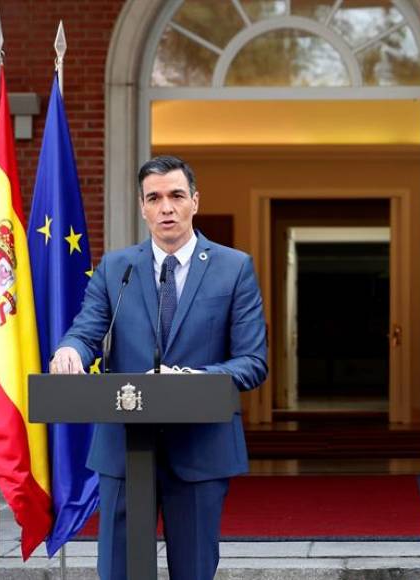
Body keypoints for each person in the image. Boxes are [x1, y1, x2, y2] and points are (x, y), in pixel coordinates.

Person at [49, 155, 267, 580]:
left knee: (194, 572)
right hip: (124, 449)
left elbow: (252, 362)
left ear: (194, 202)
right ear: (142, 207)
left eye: (176, 196)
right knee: (118, 571)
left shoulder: (233, 267)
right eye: (155, 198)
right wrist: (70, 351)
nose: (166, 207)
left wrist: (194, 380)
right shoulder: (117, 268)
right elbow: (87, 330)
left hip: (201, 449)